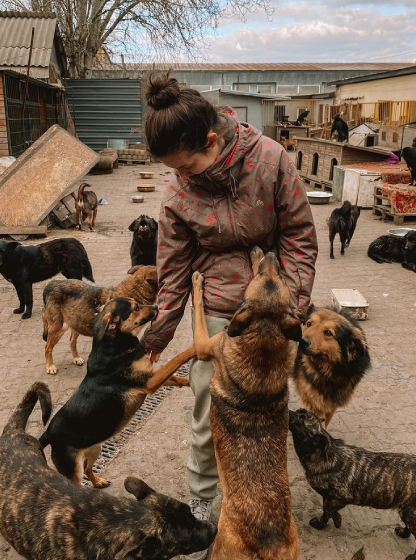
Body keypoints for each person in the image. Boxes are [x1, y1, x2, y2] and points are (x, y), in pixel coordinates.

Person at [141, 72, 318, 560]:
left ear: (213, 141)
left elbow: (300, 235)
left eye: (188, 165)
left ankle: (264, 505)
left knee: (268, 414)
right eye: (174, 169)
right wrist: (158, 331)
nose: (182, 176)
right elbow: (173, 268)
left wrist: (291, 312)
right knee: (208, 412)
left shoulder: (271, 161)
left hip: (272, 302)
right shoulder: (178, 195)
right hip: (220, 305)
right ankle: (202, 508)